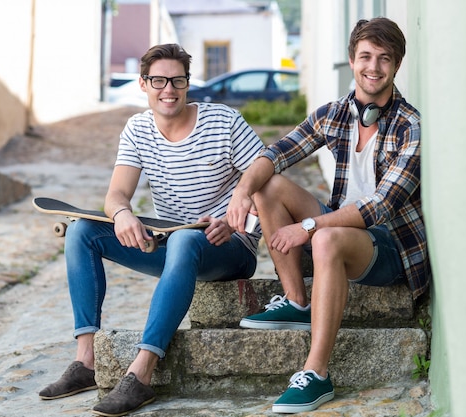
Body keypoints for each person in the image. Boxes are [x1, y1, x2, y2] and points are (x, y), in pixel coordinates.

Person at [38, 43, 264, 416]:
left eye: (177, 80)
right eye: (158, 80)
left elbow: (267, 181)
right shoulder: (138, 129)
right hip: (174, 242)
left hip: (229, 247)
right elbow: (116, 195)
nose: (168, 89)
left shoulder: (224, 122)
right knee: (81, 232)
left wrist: (239, 221)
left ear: (188, 84)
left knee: (187, 240)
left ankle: (141, 373)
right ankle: (86, 361)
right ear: (143, 84)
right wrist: (123, 214)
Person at [227, 17, 431, 414]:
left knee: (324, 236)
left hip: (389, 245)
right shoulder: (335, 114)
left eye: (384, 59)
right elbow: (276, 153)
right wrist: (242, 191)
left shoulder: (410, 125)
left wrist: (309, 226)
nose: (374, 67)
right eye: (366, 56)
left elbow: (380, 206)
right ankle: (297, 300)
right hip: (339, 227)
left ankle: (316, 374)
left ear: (397, 65)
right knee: (267, 185)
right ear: (352, 60)